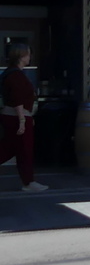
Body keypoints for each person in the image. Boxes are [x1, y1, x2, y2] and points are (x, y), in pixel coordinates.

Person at [0, 44, 46, 192]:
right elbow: (17, 99)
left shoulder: (12, 73)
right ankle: (28, 182)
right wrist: (22, 120)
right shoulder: (16, 75)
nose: (29, 57)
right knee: (23, 150)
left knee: (10, 148)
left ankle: (28, 181)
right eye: (28, 54)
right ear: (21, 56)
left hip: (14, 116)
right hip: (16, 117)